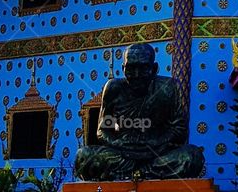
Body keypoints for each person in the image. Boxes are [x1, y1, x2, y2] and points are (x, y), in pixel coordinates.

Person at [74, 44, 204, 180]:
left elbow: (179, 129)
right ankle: (142, 173)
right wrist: (119, 144)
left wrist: (157, 142)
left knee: (192, 156)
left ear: (153, 69)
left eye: (142, 68)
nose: (136, 75)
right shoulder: (113, 88)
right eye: (130, 68)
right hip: (122, 154)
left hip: (156, 154)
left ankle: (135, 173)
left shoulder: (167, 88)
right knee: (83, 157)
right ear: (123, 68)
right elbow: (103, 131)